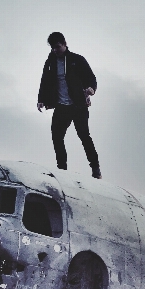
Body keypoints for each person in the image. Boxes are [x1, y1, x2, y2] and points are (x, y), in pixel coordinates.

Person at [37, 32, 102, 179]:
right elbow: (45, 81)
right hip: (61, 106)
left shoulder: (77, 59)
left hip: (78, 105)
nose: (55, 50)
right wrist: (41, 99)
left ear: (64, 44)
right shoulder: (50, 63)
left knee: (84, 136)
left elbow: (91, 78)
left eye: (58, 46)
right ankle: (62, 169)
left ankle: (95, 168)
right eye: (53, 48)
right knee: (56, 136)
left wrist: (91, 89)